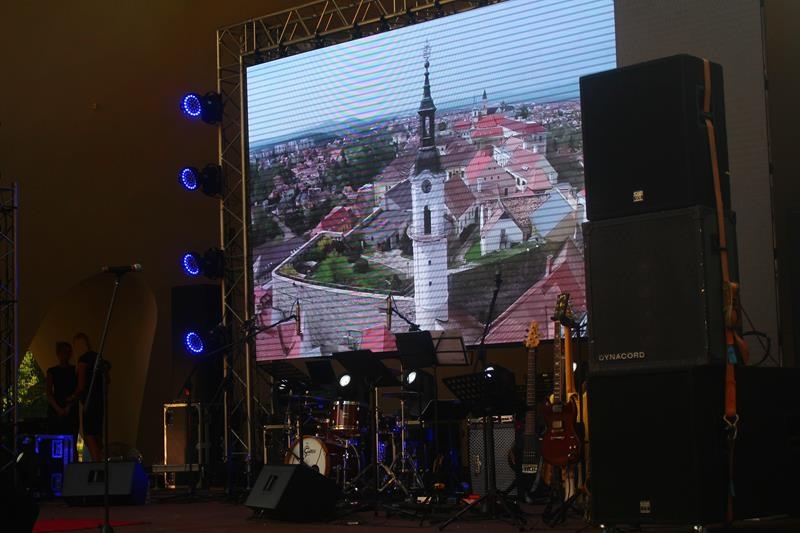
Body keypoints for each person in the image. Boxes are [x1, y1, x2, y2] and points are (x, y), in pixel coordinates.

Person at [68, 333, 108, 462]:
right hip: (99, 403)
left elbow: (81, 385)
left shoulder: (83, 360)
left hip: (89, 403)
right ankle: (101, 462)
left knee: (89, 435)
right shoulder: (98, 358)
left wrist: (72, 397)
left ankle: (97, 463)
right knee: (97, 435)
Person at [45, 342, 79, 454]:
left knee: (71, 442)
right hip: (56, 409)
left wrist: (69, 407)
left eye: (69, 352)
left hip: (71, 410)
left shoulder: (75, 370)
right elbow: (49, 393)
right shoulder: (52, 371)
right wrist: (58, 409)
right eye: (63, 352)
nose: (66, 355)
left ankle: (72, 462)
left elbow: (78, 391)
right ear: (58, 354)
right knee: (55, 442)